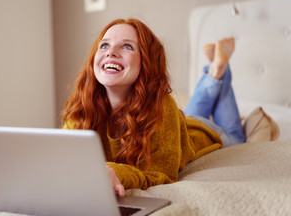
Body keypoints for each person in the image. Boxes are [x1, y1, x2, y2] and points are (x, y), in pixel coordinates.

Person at [62, 18, 246, 197]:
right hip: (184, 122)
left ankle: (220, 70)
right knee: (193, 112)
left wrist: (117, 172)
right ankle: (216, 69)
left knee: (237, 136)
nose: (111, 52)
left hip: (207, 132)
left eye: (127, 46)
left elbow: (163, 175)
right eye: (104, 45)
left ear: (146, 63)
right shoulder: (83, 106)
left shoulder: (163, 106)